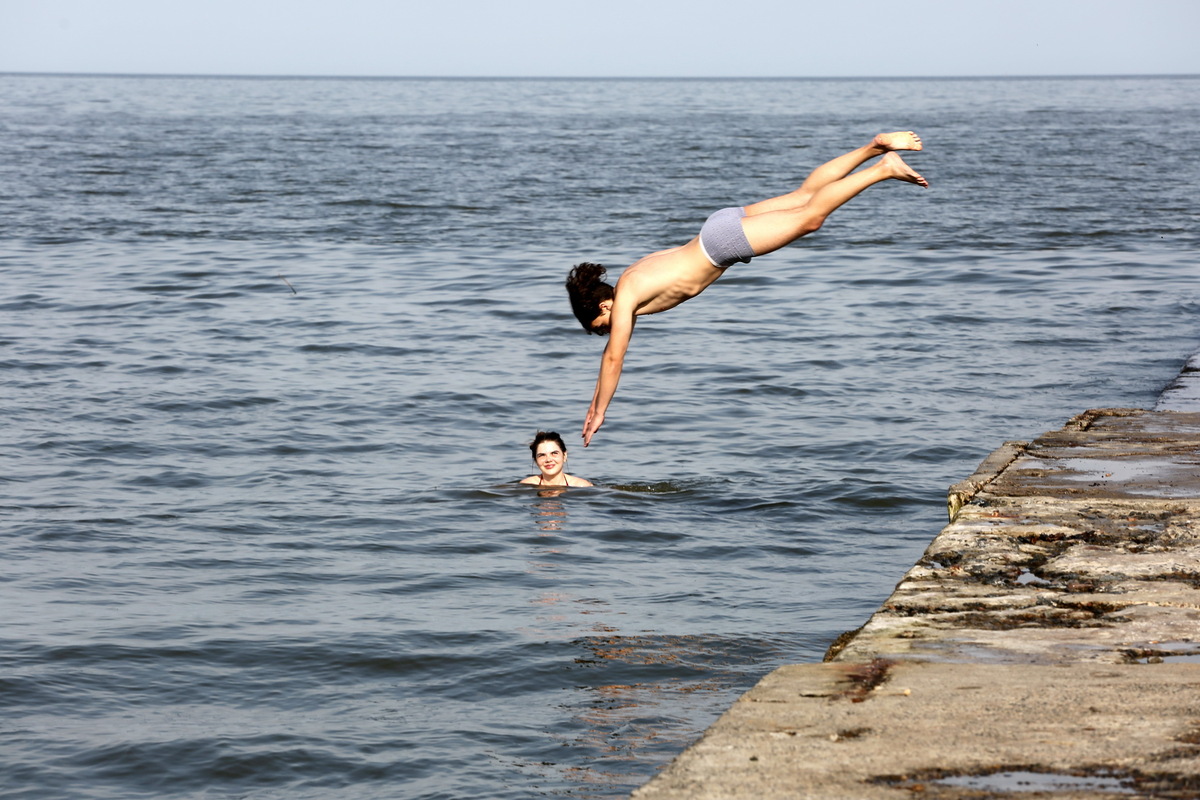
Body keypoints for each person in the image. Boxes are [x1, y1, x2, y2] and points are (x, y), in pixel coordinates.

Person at [566, 131, 928, 446]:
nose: (613, 332)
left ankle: (883, 169)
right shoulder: (632, 276)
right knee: (806, 196)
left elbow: (615, 358)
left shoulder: (626, 297)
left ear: (604, 308)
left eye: (605, 327)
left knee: (810, 218)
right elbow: (606, 361)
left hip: (720, 244)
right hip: (718, 226)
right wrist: (592, 404)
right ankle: (875, 147)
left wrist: (601, 412)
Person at [520, 431, 593, 487]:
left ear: (564, 456)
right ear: (535, 460)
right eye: (542, 455)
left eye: (554, 453)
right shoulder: (527, 486)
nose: (548, 459)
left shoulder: (582, 486)